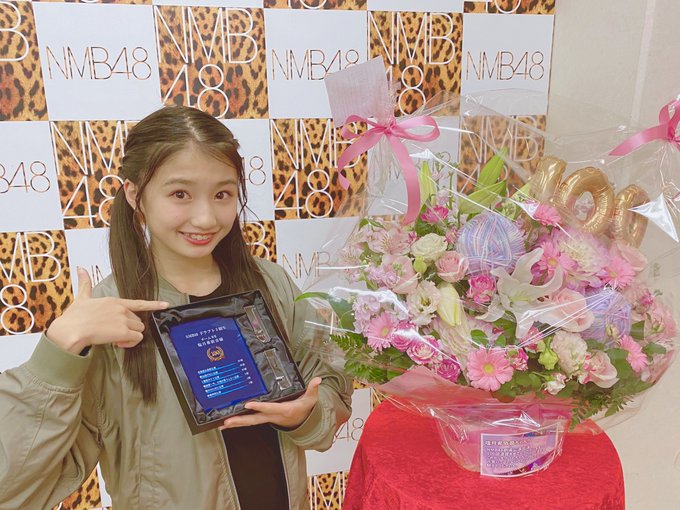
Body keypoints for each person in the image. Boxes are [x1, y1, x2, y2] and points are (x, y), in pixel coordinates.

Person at [0, 106, 353, 510]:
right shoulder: (111, 320)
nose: (205, 218)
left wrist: (305, 415)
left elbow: (331, 395)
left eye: (222, 194)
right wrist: (57, 352)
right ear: (135, 195)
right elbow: (14, 483)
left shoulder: (271, 284)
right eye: (180, 194)